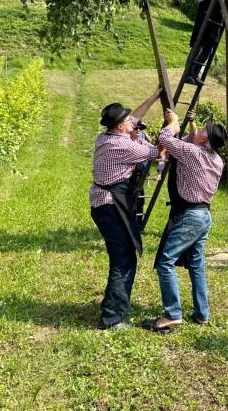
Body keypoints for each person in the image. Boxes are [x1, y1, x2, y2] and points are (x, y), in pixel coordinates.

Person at [145, 109, 227, 333]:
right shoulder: (216, 159)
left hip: (189, 216)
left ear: (205, 138)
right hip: (203, 216)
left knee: (165, 261)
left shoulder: (193, 153)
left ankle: (172, 315)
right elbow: (190, 142)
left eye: (203, 129)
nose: (200, 129)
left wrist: (173, 122)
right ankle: (202, 313)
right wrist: (190, 126)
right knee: (197, 264)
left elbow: (164, 139)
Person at [89, 88, 162, 331]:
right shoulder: (124, 146)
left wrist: (154, 96)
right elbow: (159, 152)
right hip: (112, 206)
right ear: (120, 127)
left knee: (120, 257)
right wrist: (171, 126)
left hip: (103, 204)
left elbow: (135, 118)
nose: (132, 121)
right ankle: (112, 318)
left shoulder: (105, 137)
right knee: (123, 260)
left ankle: (111, 305)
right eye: (127, 120)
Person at [186, 0, 221, 86]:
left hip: (216, 14)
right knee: (198, 44)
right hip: (205, 11)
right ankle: (188, 74)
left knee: (209, 47)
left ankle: (195, 73)